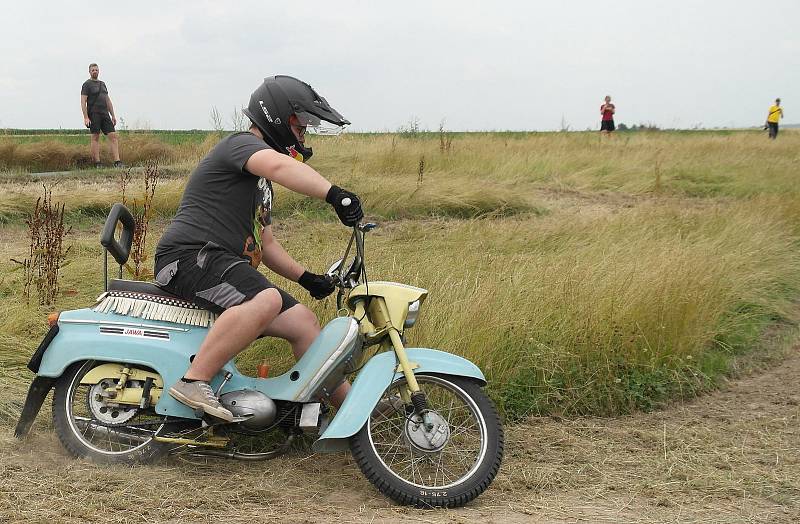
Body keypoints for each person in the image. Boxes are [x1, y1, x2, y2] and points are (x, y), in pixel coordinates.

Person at [153, 75, 363, 421]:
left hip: (217, 260)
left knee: (302, 320)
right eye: (301, 124)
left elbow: (264, 244)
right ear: (279, 117)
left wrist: (306, 278)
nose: (304, 133)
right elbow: (282, 166)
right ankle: (194, 380)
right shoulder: (241, 146)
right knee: (264, 300)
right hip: (188, 256)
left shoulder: (259, 183)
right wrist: (334, 194)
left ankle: (351, 411)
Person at [80, 63, 122, 168]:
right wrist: (86, 117)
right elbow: (83, 101)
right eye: (93, 70)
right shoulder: (86, 84)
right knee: (95, 137)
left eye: (96, 70)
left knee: (113, 136)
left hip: (105, 114)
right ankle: (97, 163)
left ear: (99, 71)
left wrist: (113, 115)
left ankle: (117, 162)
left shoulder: (102, 84)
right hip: (93, 114)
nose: (95, 71)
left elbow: (108, 100)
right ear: (89, 72)